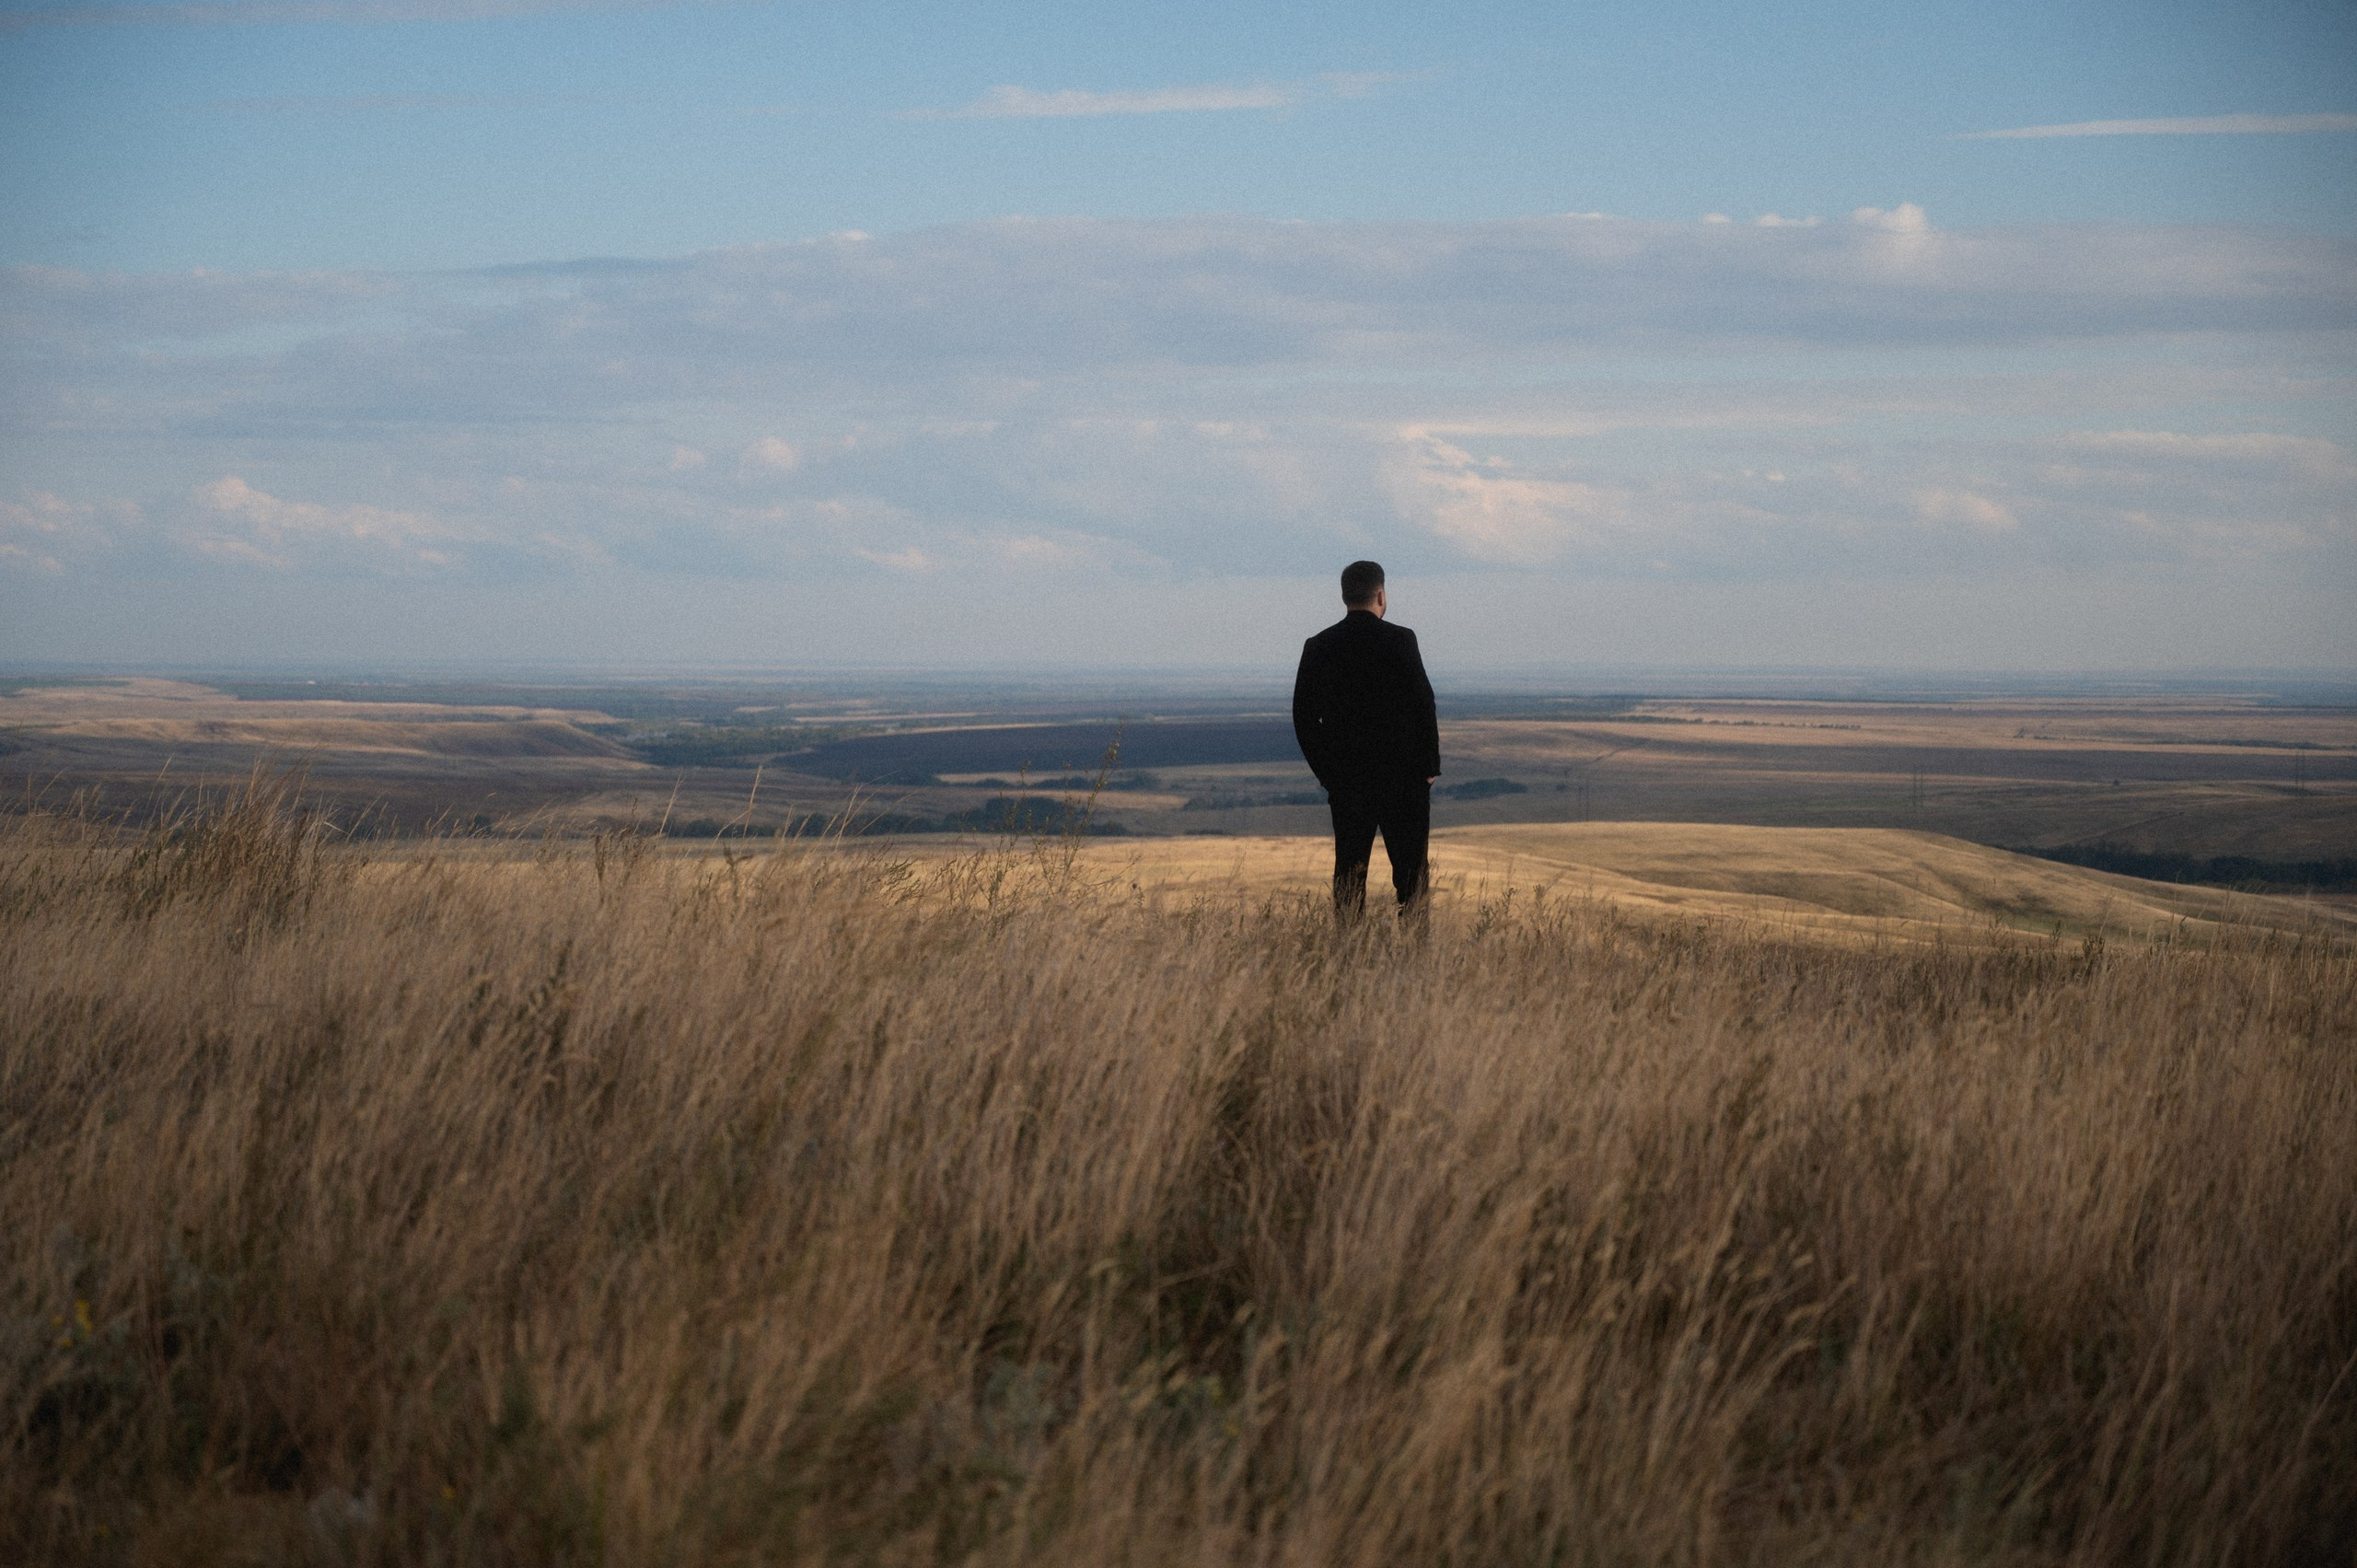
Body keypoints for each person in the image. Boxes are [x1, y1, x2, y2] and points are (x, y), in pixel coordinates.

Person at [1292, 560, 1441, 921]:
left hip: (1348, 780)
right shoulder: (1401, 639)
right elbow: (1424, 702)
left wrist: (1328, 772)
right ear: (1381, 595)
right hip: (1404, 779)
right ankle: (1415, 957)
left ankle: (1348, 955)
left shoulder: (1319, 645)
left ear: (1344, 596)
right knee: (1412, 879)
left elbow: (1304, 718)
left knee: (1349, 875)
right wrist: (1429, 767)